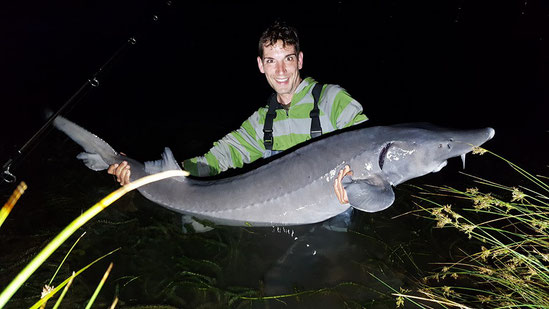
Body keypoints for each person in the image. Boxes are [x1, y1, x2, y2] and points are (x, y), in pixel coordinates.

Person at [109, 20, 366, 205]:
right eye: (271, 61)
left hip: (333, 209)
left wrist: (357, 178)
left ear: (299, 60)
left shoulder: (333, 100)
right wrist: (148, 172)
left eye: (287, 59)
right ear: (260, 65)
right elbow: (216, 160)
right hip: (279, 213)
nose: (280, 71)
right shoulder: (262, 121)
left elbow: (369, 147)